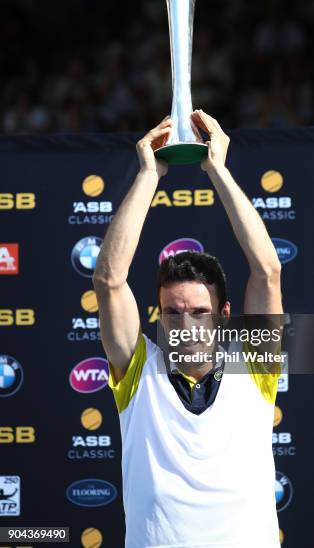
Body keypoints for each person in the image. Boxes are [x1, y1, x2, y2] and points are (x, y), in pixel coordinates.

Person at [93, 109, 283, 548]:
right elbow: (108, 280)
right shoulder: (137, 369)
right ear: (158, 316)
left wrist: (216, 169)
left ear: (223, 315)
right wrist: (148, 174)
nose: (185, 325)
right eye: (172, 313)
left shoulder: (253, 364)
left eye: (199, 312)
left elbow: (267, 271)